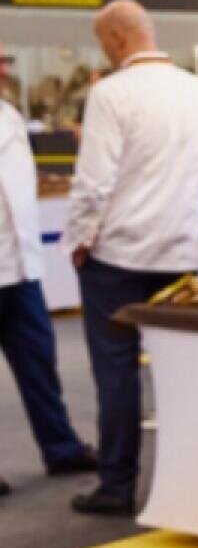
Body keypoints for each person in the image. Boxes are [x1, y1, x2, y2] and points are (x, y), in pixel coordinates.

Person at [64, 0, 198, 516]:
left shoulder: (110, 94)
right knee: (181, 371)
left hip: (117, 254)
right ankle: (192, 480)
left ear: (115, 39)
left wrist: (79, 240)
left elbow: (94, 181)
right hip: (179, 250)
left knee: (116, 373)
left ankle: (117, 485)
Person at [0, 47, 94, 499]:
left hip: (21, 265)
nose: (4, 70)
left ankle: (60, 447)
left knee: (39, 360)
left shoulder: (9, 116)